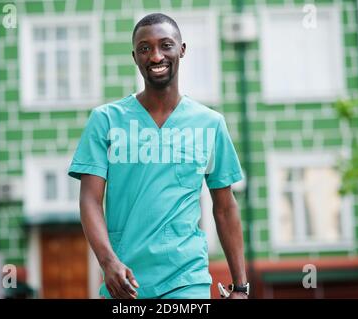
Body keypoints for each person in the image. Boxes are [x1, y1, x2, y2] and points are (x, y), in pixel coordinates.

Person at [68, 13, 248, 299]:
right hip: (124, 281)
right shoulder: (106, 121)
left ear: (182, 49)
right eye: (144, 48)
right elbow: (90, 199)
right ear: (134, 57)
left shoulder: (210, 123)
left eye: (166, 45)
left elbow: (225, 208)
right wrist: (108, 262)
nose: (156, 56)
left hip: (187, 280)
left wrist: (240, 287)